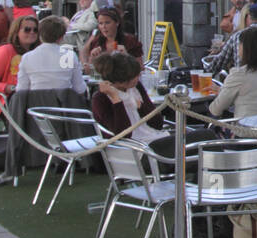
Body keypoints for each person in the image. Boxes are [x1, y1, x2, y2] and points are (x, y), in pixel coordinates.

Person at [91, 51, 219, 162]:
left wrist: (142, 108)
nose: (139, 77)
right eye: (136, 75)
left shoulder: (136, 88)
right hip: (139, 152)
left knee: (204, 148)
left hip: (154, 139)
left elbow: (157, 123)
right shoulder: (101, 99)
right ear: (123, 79)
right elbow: (123, 134)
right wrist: (116, 101)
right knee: (205, 137)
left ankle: (203, 185)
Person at [209, 27, 257, 120]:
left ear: (244, 47)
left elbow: (216, 110)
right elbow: (255, 97)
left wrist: (221, 92)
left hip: (248, 131)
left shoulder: (239, 74)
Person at [0, 13, 39, 125]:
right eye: (27, 29)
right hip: (7, 100)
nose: (32, 32)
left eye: (35, 30)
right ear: (17, 32)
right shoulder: (5, 51)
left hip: (33, 96)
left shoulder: (38, 52)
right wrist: (10, 87)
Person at [16, 15, 87, 95]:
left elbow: (21, 90)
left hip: (36, 106)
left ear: (40, 35)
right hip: (64, 105)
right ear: (62, 37)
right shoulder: (70, 56)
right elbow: (79, 89)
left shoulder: (27, 57)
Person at [208, 1, 257, 73]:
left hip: (241, 80)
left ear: (250, 17)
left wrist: (204, 73)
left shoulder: (237, 36)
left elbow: (219, 62)